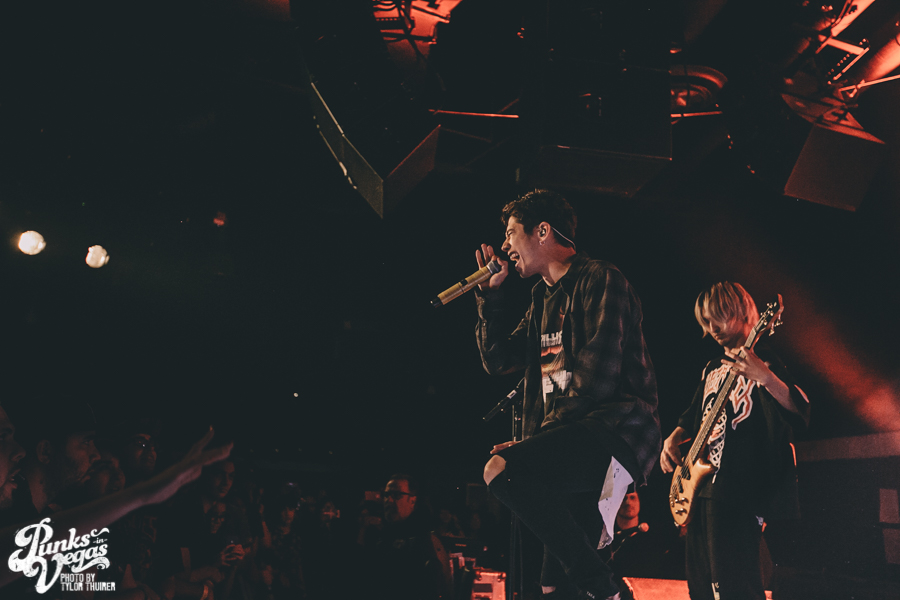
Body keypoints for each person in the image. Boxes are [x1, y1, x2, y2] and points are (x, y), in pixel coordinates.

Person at [476, 189, 660, 600]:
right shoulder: (542, 298)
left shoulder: (601, 279)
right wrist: (490, 296)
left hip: (614, 432)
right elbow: (497, 359)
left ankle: (608, 591)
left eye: (511, 233)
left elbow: (595, 380)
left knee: (502, 469)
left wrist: (536, 443)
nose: (505, 246)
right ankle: (607, 591)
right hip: (572, 435)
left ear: (542, 231)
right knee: (553, 584)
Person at [659, 282, 810, 600]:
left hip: (740, 491)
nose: (712, 328)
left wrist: (765, 377)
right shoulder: (712, 368)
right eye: (706, 321)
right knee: (701, 586)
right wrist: (673, 438)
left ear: (742, 312)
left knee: (735, 586)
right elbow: (693, 415)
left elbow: (801, 411)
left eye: (719, 317)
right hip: (700, 489)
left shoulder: (766, 361)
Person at [358, 474, 451, 600]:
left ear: (412, 500)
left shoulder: (424, 537)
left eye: (396, 495)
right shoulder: (382, 533)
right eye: (386, 495)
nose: (389, 500)